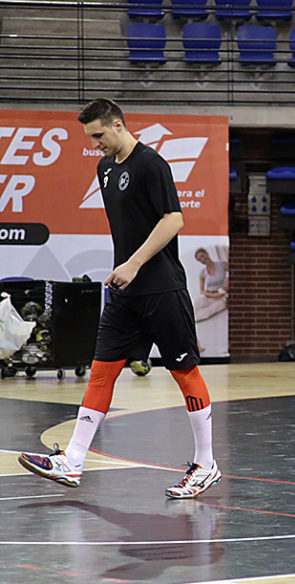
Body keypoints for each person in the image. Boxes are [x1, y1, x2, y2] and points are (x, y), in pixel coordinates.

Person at [19, 98, 219, 499]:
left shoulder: (151, 164)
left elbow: (174, 219)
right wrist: (125, 271)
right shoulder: (105, 168)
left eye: (98, 136)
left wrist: (134, 263)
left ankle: (206, 463)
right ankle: (73, 460)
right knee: (101, 370)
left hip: (161, 288)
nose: (95, 145)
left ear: (117, 125)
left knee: (184, 372)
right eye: (91, 138)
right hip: (125, 291)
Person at [193, 247, 228, 322]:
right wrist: (212, 295)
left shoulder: (222, 264)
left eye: (202, 256)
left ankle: (188, 322)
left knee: (206, 313)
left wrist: (227, 280)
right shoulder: (202, 272)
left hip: (222, 297)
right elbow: (202, 291)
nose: (202, 260)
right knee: (195, 304)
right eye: (199, 259)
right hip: (208, 296)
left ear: (207, 254)